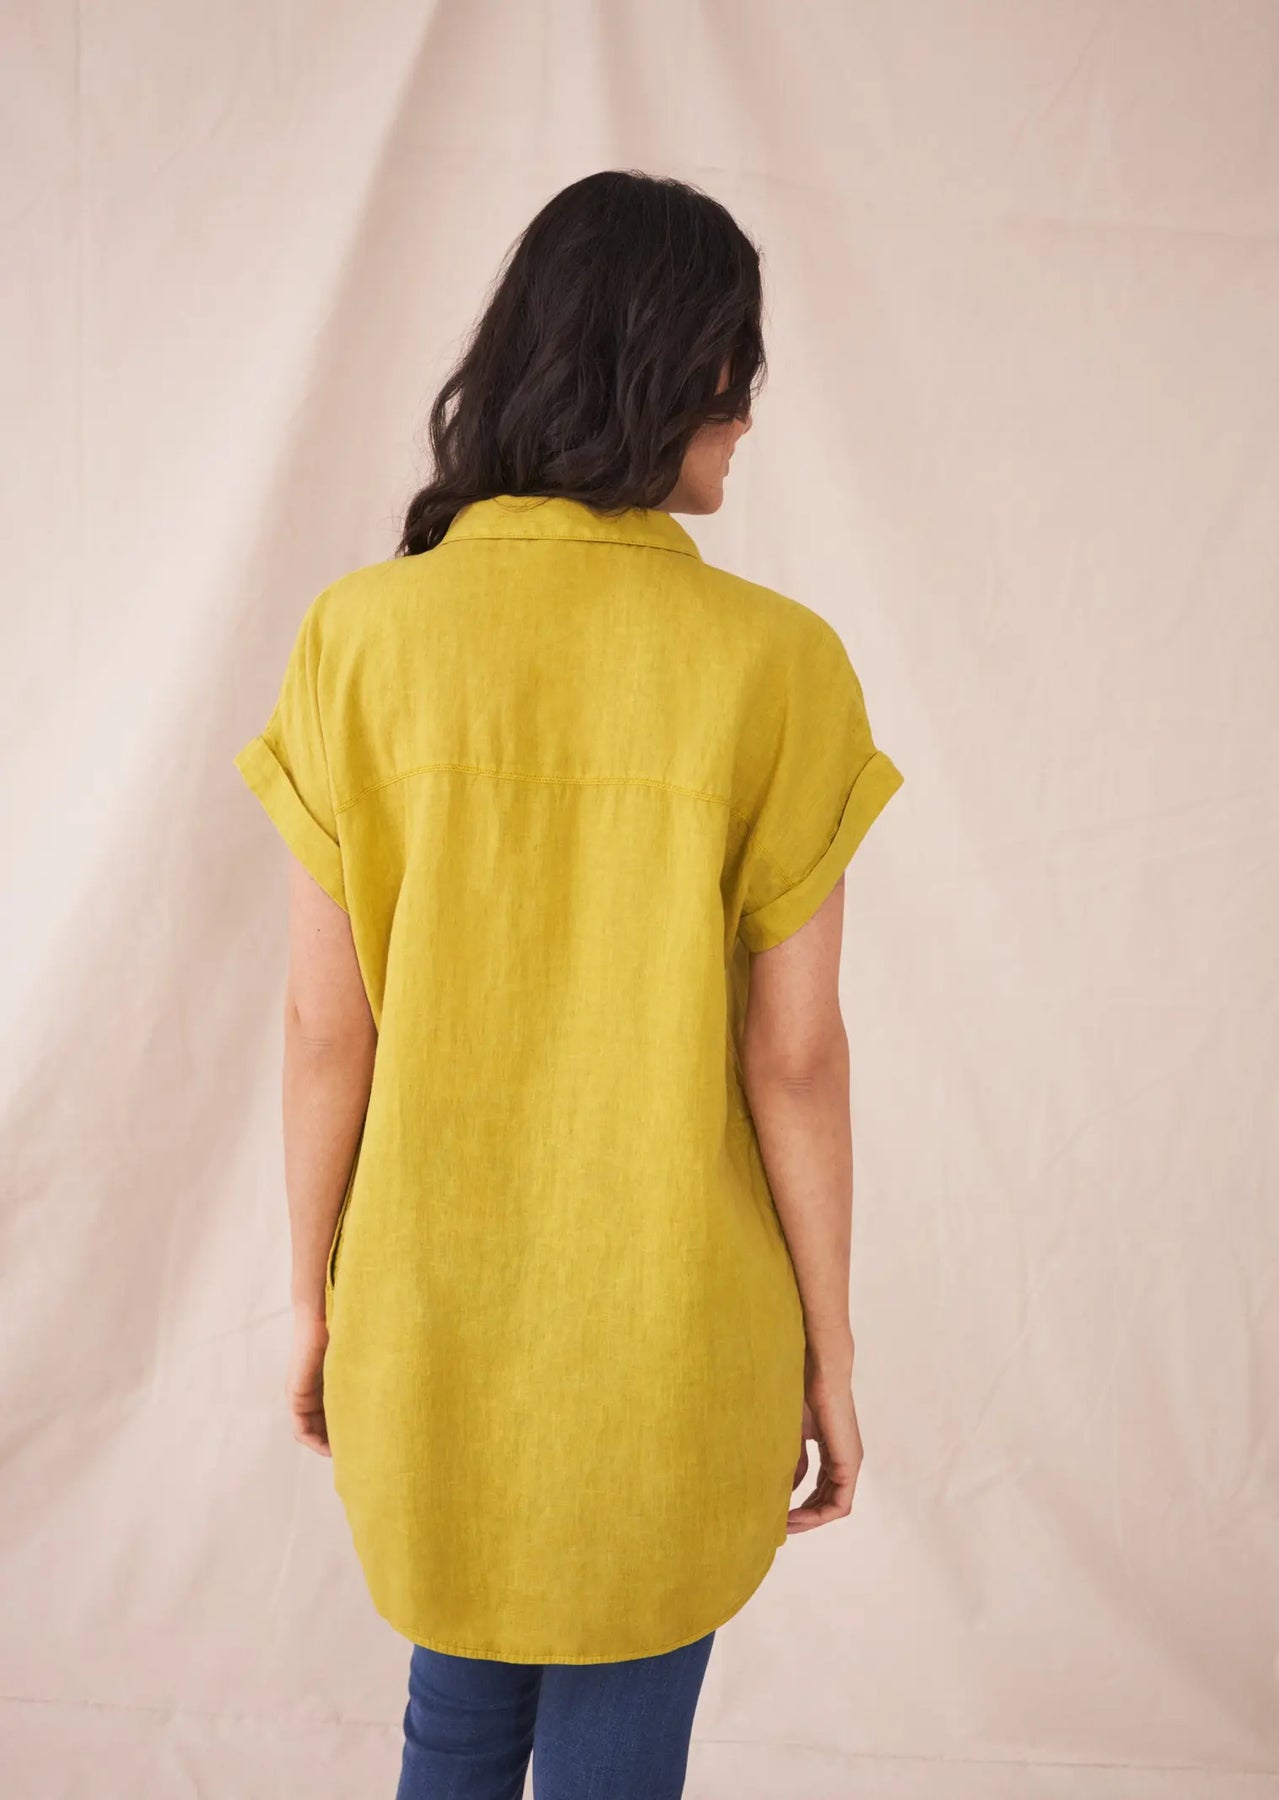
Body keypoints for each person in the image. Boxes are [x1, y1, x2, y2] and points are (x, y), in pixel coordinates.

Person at [233, 168, 904, 1800]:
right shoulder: (776, 664)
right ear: (674, 369)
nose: (746, 414)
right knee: (620, 1743)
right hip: (674, 1327)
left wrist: (316, 1295)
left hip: (428, 1311)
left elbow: (327, 1028)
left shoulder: (359, 637)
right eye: (735, 370)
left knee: (455, 1717)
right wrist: (829, 1350)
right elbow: (793, 1059)